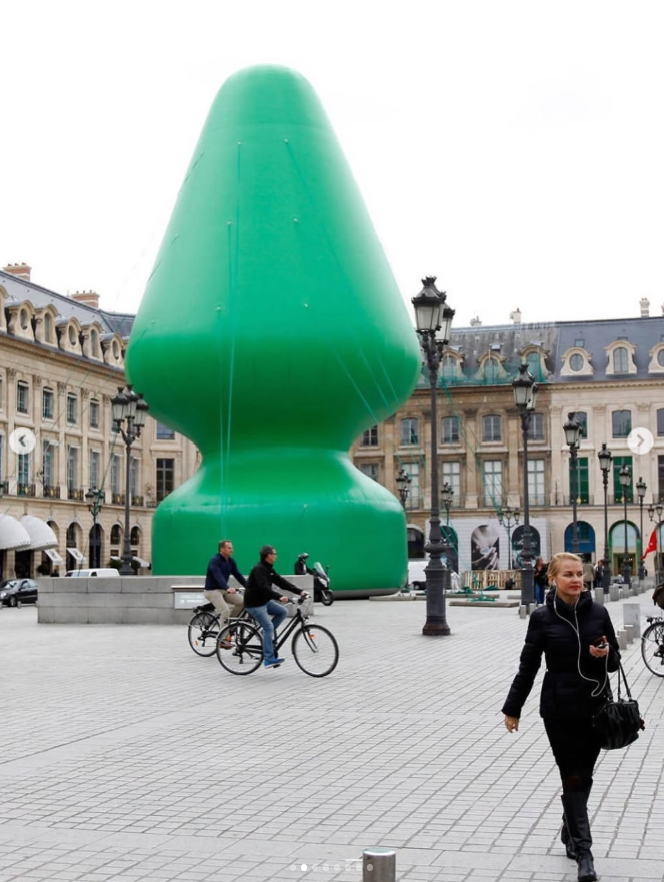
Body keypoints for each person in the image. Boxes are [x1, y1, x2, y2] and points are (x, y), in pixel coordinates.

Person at [502, 552, 620, 882]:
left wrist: (605, 653)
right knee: (572, 774)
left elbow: (614, 664)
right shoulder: (542, 618)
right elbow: (528, 666)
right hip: (559, 709)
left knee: (585, 775)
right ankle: (584, 851)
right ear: (553, 579)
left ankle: (570, 830)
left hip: (596, 707)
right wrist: (513, 707)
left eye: (579, 574)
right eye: (568, 574)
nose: (576, 580)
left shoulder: (599, 612)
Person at [244, 545, 308, 668]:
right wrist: (279, 597)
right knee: (269, 627)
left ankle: (265, 635)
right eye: (275, 553)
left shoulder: (269, 569)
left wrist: (300, 591)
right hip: (254, 604)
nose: (276, 556)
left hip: (264, 601)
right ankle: (268, 659)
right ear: (268, 555)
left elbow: (281, 582)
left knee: (282, 612)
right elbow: (264, 588)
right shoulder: (259, 569)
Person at [203, 540, 247, 648]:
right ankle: (222, 640)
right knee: (225, 610)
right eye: (229, 548)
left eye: (232, 548)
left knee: (242, 602)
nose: (232, 550)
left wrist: (250, 587)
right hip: (212, 590)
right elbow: (218, 576)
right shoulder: (215, 560)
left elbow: (238, 575)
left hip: (223, 590)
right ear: (222, 549)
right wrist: (227, 587)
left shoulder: (231, 561)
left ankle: (228, 624)